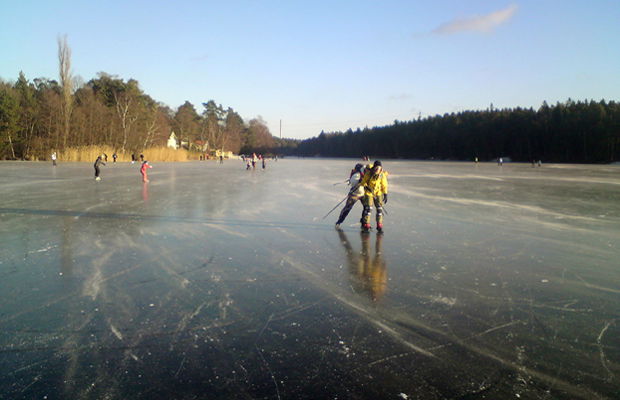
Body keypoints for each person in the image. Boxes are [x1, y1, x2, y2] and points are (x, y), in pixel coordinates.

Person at [360, 160, 388, 232]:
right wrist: (366, 186)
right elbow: (363, 182)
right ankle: (366, 224)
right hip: (369, 193)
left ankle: (379, 225)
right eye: (376, 167)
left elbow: (384, 185)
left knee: (379, 209)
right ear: (374, 167)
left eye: (379, 168)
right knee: (368, 208)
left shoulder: (382, 175)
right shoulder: (369, 174)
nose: (377, 169)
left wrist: (385, 194)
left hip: (378, 193)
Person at [335, 163, 366, 228]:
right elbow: (353, 183)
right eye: (363, 168)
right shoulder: (356, 175)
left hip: (363, 194)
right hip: (354, 194)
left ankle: (364, 221)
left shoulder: (364, 175)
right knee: (347, 208)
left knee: (367, 208)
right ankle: (339, 221)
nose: (364, 169)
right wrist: (360, 181)